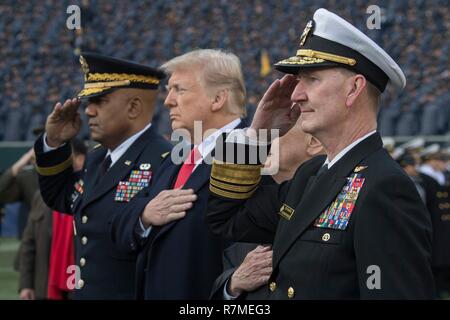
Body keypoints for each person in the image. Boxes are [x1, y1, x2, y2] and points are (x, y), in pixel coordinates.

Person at [206, 8, 434, 299]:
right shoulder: (308, 176)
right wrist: (255, 136)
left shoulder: (385, 187)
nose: (296, 95)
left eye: (311, 79)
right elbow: (226, 221)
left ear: (354, 89)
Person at [33, 53, 172, 299]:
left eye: (100, 101)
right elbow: (63, 198)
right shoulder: (98, 158)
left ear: (133, 107)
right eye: (88, 102)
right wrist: (54, 142)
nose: (89, 111)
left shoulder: (165, 161)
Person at [111, 49, 247, 299]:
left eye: (179, 90)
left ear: (218, 99)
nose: (168, 100)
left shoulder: (251, 152)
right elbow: (121, 223)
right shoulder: (178, 156)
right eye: (169, 89)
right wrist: (145, 215)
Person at [210, 124, 324, 300]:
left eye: (275, 133)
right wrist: (232, 286)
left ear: (314, 142)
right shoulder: (252, 211)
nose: (264, 140)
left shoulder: (331, 206)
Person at [18, 138, 87, 300]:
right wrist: (26, 284)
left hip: (78, 284)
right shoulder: (42, 197)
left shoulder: (92, 195)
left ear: (80, 159)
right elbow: (29, 243)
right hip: (47, 284)